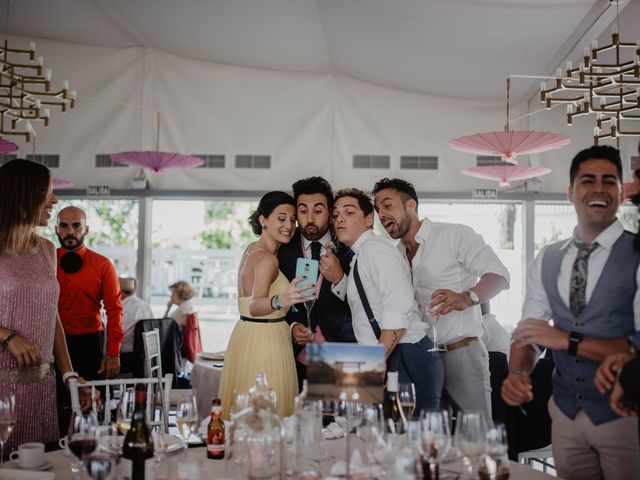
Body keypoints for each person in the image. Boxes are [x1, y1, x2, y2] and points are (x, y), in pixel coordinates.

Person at [501, 145, 640, 480]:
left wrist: (565, 339)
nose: (598, 188)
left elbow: (634, 351)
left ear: (621, 193)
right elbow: (530, 335)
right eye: (587, 180)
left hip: (626, 415)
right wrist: (518, 373)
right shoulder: (548, 258)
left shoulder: (636, 253)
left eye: (609, 181)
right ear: (570, 193)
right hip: (563, 414)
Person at [372, 178, 510, 419]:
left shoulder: (454, 235)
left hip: (462, 351)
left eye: (387, 205)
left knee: (474, 433)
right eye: (377, 209)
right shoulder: (394, 256)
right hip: (422, 358)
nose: (382, 215)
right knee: (431, 437)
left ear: (411, 205)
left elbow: (500, 276)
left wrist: (467, 297)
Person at [0, 159, 91, 455]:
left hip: (41, 384)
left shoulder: (48, 250)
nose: (54, 200)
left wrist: (69, 375)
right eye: (47, 192)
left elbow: (51, 316)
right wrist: (7, 335)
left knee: (40, 465)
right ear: (24, 195)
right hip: (2, 388)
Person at [331, 188, 444, 413]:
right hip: (392, 355)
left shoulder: (375, 249)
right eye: (335, 215)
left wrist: (375, 364)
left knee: (408, 439)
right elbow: (370, 304)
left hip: (405, 355)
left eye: (349, 212)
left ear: (368, 219)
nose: (339, 219)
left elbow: (398, 307)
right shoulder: (361, 256)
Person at [217, 191, 309, 419]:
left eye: (292, 219)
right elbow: (255, 306)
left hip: (247, 335)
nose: (289, 225)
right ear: (262, 220)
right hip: (266, 343)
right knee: (268, 416)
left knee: (246, 416)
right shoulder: (268, 259)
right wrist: (282, 299)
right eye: (281, 218)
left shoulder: (251, 249)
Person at [277, 177, 355, 389]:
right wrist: (292, 327)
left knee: (347, 420)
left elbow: (370, 302)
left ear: (329, 213)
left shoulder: (350, 245)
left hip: (344, 352)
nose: (310, 218)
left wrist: (339, 279)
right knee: (297, 419)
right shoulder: (282, 250)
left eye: (318, 211)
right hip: (294, 357)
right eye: (303, 211)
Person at [55, 206, 123, 432]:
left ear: (86, 230)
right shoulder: (46, 260)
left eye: (76, 226)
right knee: (56, 405)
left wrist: (113, 353)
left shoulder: (103, 265)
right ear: (56, 229)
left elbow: (114, 310)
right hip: (52, 344)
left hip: (89, 344)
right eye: (64, 225)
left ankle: (86, 454)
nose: (70, 231)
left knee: (88, 405)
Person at [119, 277, 153, 375]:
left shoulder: (124, 308)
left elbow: (118, 334)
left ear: (121, 293)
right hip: (145, 356)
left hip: (127, 356)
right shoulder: (145, 305)